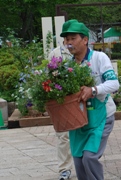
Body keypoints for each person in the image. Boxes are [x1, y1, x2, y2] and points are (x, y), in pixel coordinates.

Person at [60, 20, 119, 180]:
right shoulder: (66, 66)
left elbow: (114, 83)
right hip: (78, 121)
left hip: (101, 118)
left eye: (73, 38)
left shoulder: (99, 58)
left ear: (85, 40)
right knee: (78, 160)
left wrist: (93, 90)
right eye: (66, 39)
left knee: (89, 157)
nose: (69, 43)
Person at [48, 39, 73, 180]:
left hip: (80, 97)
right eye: (67, 37)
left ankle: (86, 165)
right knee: (63, 135)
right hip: (61, 98)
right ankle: (64, 169)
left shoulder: (83, 53)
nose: (70, 40)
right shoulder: (55, 53)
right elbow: (49, 76)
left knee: (82, 132)